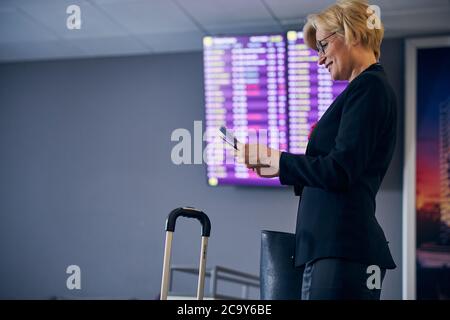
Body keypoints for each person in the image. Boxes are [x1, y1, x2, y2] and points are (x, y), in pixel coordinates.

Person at [239, 0, 397, 299]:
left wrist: (278, 159)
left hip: (342, 247)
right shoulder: (363, 89)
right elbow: (337, 169)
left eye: (323, 45)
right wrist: (277, 167)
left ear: (353, 33)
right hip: (335, 248)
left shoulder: (370, 88)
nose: (320, 59)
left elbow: (339, 171)